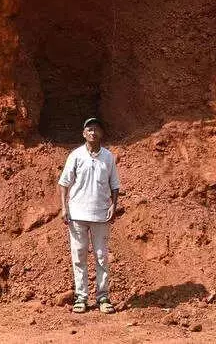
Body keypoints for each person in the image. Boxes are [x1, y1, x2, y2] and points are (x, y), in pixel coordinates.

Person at [58, 117, 120, 314]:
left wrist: (114, 205)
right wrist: (64, 207)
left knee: (102, 257)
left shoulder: (108, 157)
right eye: (89, 129)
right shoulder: (75, 156)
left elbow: (115, 185)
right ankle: (81, 297)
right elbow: (63, 183)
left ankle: (103, 297)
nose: (93, 132)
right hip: (77, 214)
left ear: (101, 133)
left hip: (101, 214)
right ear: (83, 134)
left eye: (96, 129)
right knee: (79, 256)